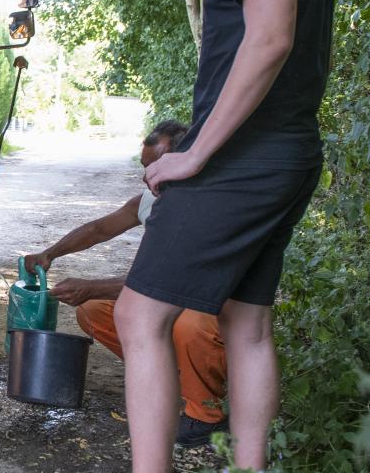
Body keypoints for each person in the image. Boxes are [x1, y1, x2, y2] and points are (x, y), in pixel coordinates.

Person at [122, 0, 335, 470]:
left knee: (138, 315)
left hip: (245, 156)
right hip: (286, 150)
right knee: (246, 322)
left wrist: (194, 153)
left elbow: (269, 39)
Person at [22, 121, 228, 447]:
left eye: (155, 167)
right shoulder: (150, 198)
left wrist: (93, 286)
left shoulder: (207, 206)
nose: (148, 178)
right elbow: (99, 230)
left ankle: (206, 416)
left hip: (214, 313)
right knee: (93, 312)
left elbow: (168, 282)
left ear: (185, 160)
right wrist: (50, 253)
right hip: (173, 300)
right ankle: (174, 381)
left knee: (190, 325)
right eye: (145, 168)